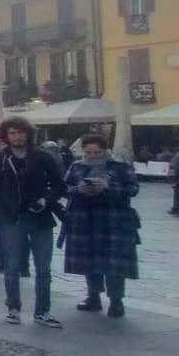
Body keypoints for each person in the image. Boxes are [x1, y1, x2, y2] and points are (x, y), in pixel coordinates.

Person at [0, 116, 66, 328]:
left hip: (40, 217)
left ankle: (42, 311)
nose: (17, 136)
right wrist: (2, 209)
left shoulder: (43, 157)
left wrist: (45, 200)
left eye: (20, 132)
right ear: (6, 136)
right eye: (12, 133)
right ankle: (13, 308)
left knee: (43, 268)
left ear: (28, 134)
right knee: (12, 266)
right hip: (12, 219)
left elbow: (59, 186)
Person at [62, 134, 140, 318]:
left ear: (105, 151)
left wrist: (108, 187)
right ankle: (93, 296)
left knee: (114, 264)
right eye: (88, 152)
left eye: (97, 152)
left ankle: (116, 300)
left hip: (113, 221)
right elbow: (64, 187)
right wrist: (78, 189)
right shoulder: (77, 167)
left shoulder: (120, 167)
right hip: (85, 220)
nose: (92, 156)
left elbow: (133, 189)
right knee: (90, 261)